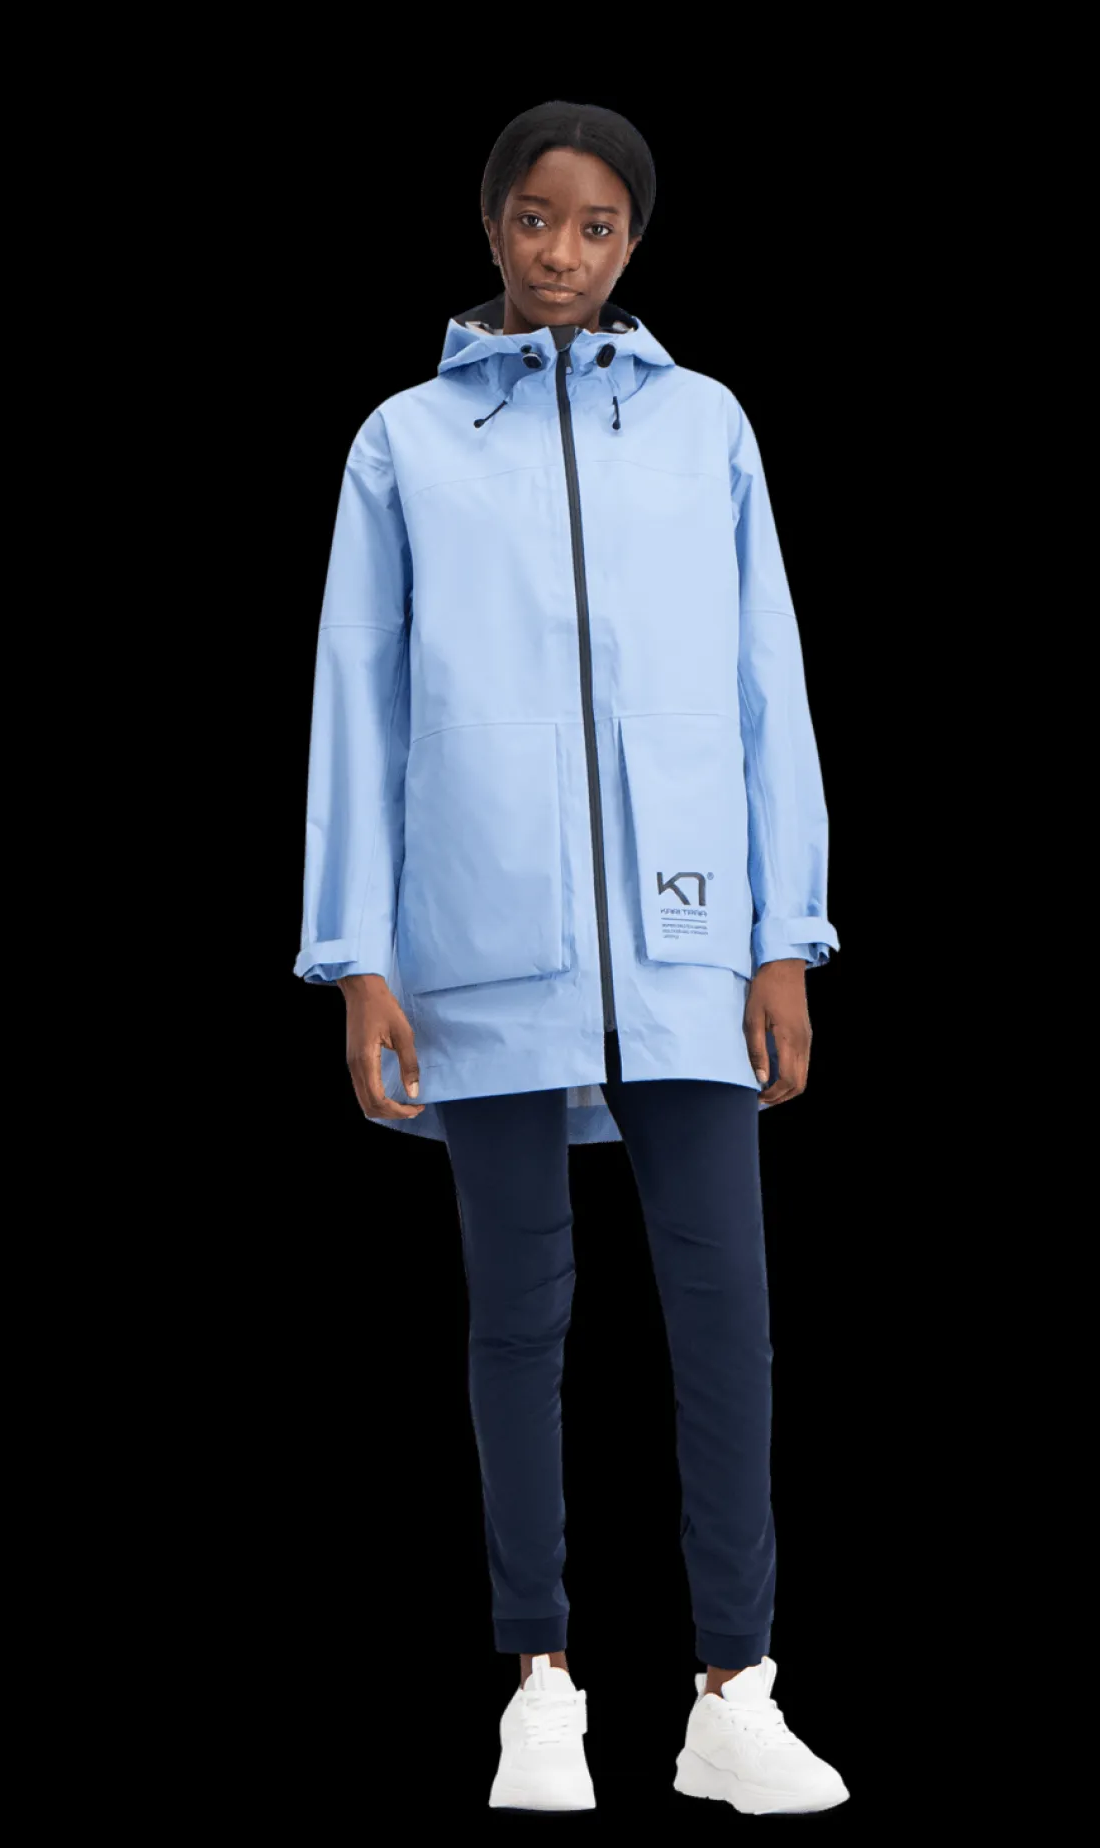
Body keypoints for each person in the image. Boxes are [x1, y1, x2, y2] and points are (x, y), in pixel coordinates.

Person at [295, 100, 847, 1816]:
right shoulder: (404, 441)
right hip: (481, 943)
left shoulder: (706, 427)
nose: (561, 252)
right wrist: (357, 956)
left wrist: (784, 936)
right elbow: (357, 701)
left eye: (596, 226)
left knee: (726, 1314)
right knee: (520, 1313)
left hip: (691, 945)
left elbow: (767, 683)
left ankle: (735, 1692)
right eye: (536, 217)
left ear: (632, 245)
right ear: (492, 222)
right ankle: (540, 1684)